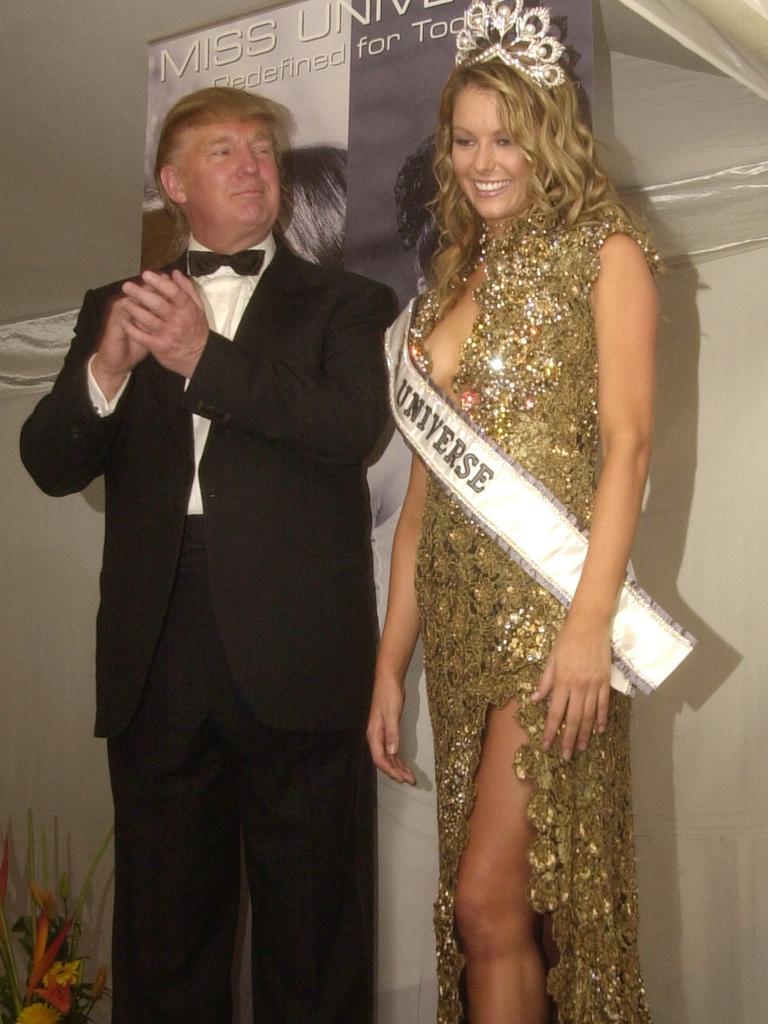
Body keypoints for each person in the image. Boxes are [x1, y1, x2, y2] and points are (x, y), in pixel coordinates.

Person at [21, 85, 397, 1024]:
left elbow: (351, 426)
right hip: (157, 651)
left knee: (314, 941)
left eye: (264, 152)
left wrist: (203, 360)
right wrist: (106, 369)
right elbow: (48, 462)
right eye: (224, 151)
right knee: (165, 941)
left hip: (300, 652)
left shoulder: (347, 302)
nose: (253, 167)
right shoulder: (115, 304)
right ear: (171, 182)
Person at [367, 4, 692, 1022]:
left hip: (551, 617)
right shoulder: (447, 281)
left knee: (489, 898)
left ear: (548, 131)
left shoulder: (607, 251)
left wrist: (589, 625)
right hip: (461, 627)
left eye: (504, 136)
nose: (481, 160)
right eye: (464, 140)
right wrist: (389, 660)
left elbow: (630, 446)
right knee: (501, 919)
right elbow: (424, 489)